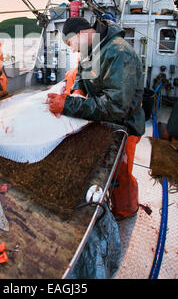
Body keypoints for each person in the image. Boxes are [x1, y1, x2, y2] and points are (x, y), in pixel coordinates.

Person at [47, 16, 145, 220]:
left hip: (124, 126)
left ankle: (126, 211)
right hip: (105, 122)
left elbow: (117, 105)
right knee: (105, 171)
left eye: (70, 43)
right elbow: (83, 73)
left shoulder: (119, 53)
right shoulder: (89, 49)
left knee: (121, 175)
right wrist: (78, 90)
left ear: (81, 34)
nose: (72, 49)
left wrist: (68, 104)